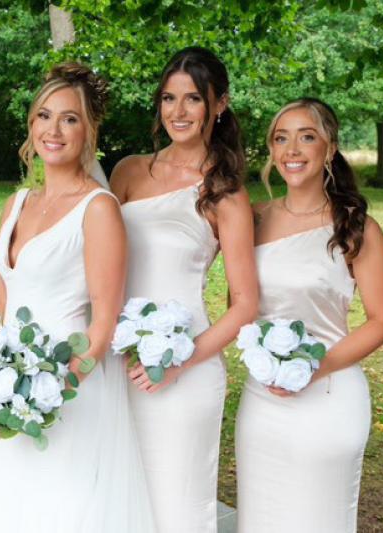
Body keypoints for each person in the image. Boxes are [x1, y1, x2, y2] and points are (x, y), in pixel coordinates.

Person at [0, 62, 154, 533]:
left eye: (69, 119)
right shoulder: (17, 202)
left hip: (68, 389)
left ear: (88, 131)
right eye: (44, 116)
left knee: (64, 512)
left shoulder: (98, 209)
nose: (53, 130)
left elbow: (103, 324)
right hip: (8, 389)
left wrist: (48, 394)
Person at [110, 46, 258, 532]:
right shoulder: (128, 172)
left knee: (177, 509)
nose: (178, 111)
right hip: (116, 367)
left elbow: (245, 305)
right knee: (120, 505)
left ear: (219, 104)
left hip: (185, 372)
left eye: (193, 98)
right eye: (169, 98)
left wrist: (178, 361)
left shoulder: (225, 193)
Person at [235, 98, 383, 533]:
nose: (291, 149)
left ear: (330, 148)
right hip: (262, 399)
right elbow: (240, 304)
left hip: (329, 395)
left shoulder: (356, 227)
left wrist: (313, 367)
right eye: (281, 138)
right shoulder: (252, 220)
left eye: (306, 137)